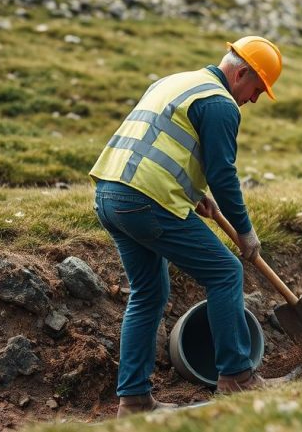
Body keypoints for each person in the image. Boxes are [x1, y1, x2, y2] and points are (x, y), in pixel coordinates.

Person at [89, 36, 283, 417]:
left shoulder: (175, 81)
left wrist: (192, 191)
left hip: (110, 194)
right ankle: (237, 377)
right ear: (241, 72)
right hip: (145, 202)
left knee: (148, 293)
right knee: (226, 272)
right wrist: (245, 231)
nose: (255, 99)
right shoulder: (220, 104)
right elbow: (223, 174)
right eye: (257, 89)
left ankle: (134, 401)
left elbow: (157, 142)